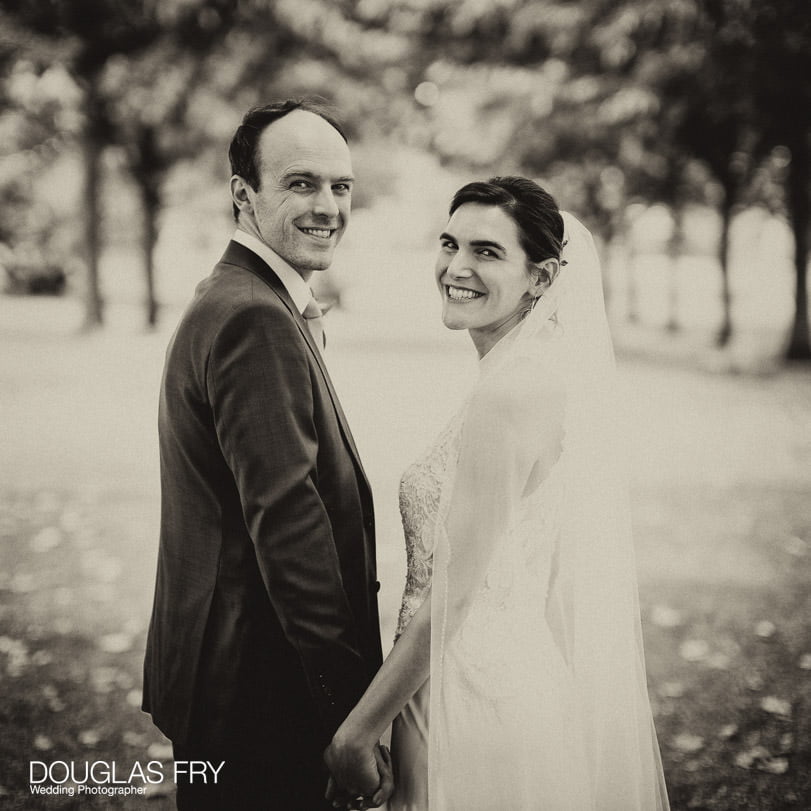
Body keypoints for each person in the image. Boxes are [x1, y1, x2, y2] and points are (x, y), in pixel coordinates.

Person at [325, 177, 670, 809]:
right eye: (450, 243)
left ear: (542, 279)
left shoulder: (511, 395)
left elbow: (456, 591)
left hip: (470, 694)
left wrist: (356, 733)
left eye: (487, 252)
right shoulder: (527, 379)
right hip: (487, 673)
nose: (457, 267)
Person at [142, 99, 392, 810]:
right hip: (257, 694)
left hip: (229, 675)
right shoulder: (253, 315)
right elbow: (291, 532)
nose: (328, 206)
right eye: (301, 183)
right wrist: (350, 714)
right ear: (242, 194)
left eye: (341, 187)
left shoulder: (236, 296)